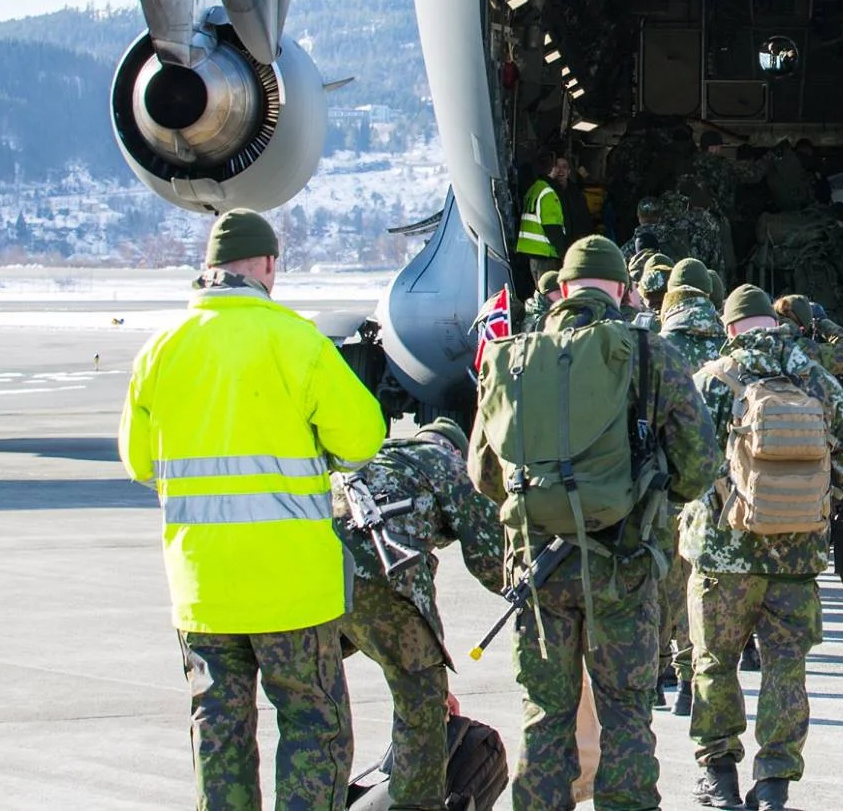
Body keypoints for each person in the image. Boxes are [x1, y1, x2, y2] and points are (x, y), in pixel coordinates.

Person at [119, 209, 385, 811]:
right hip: (293, 590)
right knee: (314, 729)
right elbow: (364, 438)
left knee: (220, 732)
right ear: (267, 265)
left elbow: (137, 462)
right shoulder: (297, 341)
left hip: (204, 591)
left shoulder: (159, 351)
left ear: (210, 269)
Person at [470, 236, 722, 811]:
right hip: (624, 566)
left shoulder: (511, 356)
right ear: (624, 290)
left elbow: (484, 473)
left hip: (537, 571)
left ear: (561, 289)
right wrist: (647, 495)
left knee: (544, 712)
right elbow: (699, 464)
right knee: (626, 708)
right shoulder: (650, 353)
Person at [686, 286, 843, 811]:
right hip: (796, 559)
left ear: (732, 327)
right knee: (786, 664)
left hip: (723, 556)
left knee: (714, 661)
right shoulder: (819, 380)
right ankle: (773, 784)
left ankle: (718, 775)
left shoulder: (712, 379)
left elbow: (683, 463)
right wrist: (813, 501)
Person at [334, 418, 506, 811]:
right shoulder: (448, 464)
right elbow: (491, 559)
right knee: (421, 707)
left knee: (319, 711)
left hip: (314, 572)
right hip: (380, 571)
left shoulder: (376, 459)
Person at [658, 258, 727, 716]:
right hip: (718, 489)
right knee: (702, 586)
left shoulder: (653, 348)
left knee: (659, 579)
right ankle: (691, 681)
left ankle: (654, 675)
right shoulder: (729, 347)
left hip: (663, 483)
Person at [515, 150, 568, 289]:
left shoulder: (534, 189)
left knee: (541, 294)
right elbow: (552, 227)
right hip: (545, 254)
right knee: (550, 297)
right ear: (554, 169)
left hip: (532, 253)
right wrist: (564, 253)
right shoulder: (548, 193)